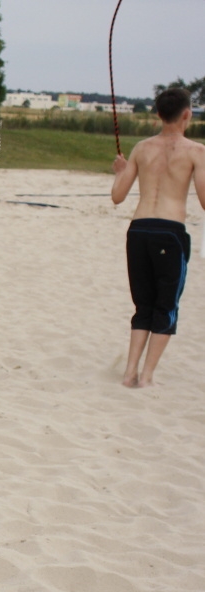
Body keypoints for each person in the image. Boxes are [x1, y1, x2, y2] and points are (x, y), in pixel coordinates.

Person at [111, 86, 205, 387]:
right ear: (187, 114)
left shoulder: (141, 148)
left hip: (138, 231)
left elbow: (117, 196)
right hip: (169, 232)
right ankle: (147, 375)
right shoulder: (196, 151)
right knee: (166, 306)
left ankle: (129, 373)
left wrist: (120, 172)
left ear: (158, 114)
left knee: (143, 306)